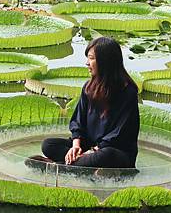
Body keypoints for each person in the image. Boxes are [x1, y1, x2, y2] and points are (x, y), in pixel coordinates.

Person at [37, 37, 140, 169]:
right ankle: (81, 165)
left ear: (105, 61)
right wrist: (76, 147)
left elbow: (118, 134)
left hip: (114, 152)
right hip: (87, 147)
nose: (87, 63)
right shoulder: (88, 88)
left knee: (105, 155)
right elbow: (77, 122)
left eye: (91, 58)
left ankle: (59, 167)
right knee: (48, 145)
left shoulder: (128, 92)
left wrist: (93, 151)